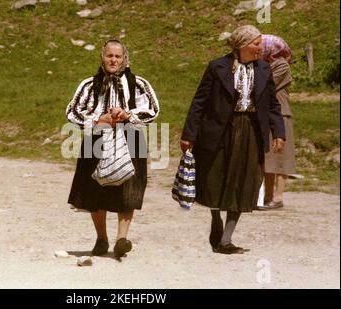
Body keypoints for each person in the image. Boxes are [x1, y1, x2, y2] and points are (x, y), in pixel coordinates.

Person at [179, 25, 285, 254]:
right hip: (219, 131)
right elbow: (199, 102)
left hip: (251, 131)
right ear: (242, 44)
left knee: (243, 182)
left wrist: (278, 132)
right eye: (256, 43)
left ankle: (226, 239)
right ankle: (215, 217)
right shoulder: (217, 67)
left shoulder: (264, 69)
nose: (260, 48)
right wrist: (189, 134)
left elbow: (273, 105)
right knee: (215, 178)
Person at [66, 40, 160, 259]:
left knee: (129, 189)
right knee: (94, 188)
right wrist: (98, 119)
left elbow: (153, 109)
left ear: (124, 59)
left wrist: (127, 115)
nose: (113, 60)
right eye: (110, 56)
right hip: (96, 139)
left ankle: (121, 239)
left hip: (131, 138)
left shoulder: (138, 84)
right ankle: (101, 239)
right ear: (102, 57)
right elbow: (72, 111)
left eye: (118, 56)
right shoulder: (89, 85)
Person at [258, 34, 295, 210]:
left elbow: (266, 84)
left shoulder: (281, 65)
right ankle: (267, 197)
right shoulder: (265, 65)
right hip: (268, 115)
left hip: (281, 113)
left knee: (281, 158)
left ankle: (278, 197)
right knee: (269, 158)